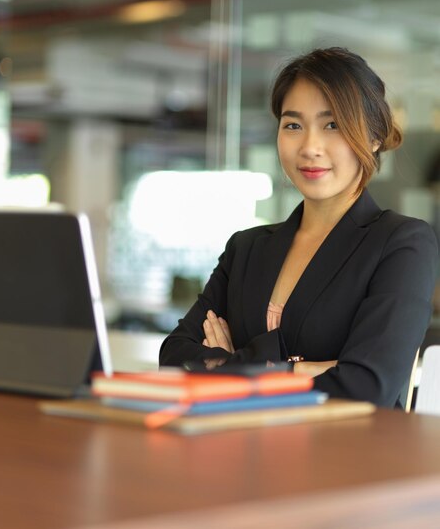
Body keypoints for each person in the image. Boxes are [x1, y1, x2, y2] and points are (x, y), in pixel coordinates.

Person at [159, 47, 439, 408]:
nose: (310, 147)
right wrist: (296, 369)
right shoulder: (246, 248)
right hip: (237, 451)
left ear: (372, 138)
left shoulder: (401, 244)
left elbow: (367, 387)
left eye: (332, 125)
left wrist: (234, 363)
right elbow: (175, 358)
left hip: (345, 458)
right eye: (293, 125)